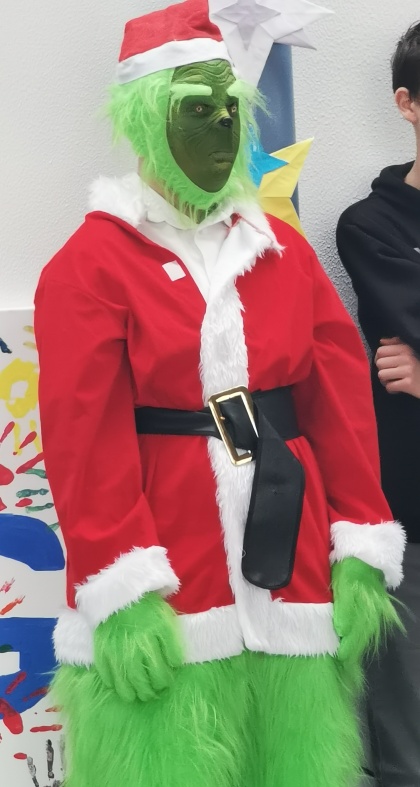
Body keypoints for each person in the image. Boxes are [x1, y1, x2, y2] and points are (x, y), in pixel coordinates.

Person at [34, 1, 405, 786]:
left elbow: (339, 402)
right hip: (172, 561)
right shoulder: (91, 266)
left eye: (231, 109)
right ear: (145, 119)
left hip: (294, 554)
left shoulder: (283, 253)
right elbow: (83, 439)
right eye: (196, 110)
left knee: (299, 760)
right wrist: (122, 589)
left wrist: (360, 540)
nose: (222, 129)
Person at [336, 21, 420, 787]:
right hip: (409, 514)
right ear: (407, 103)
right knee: (407, 744)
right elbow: (404, 325)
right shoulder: (373, 225)